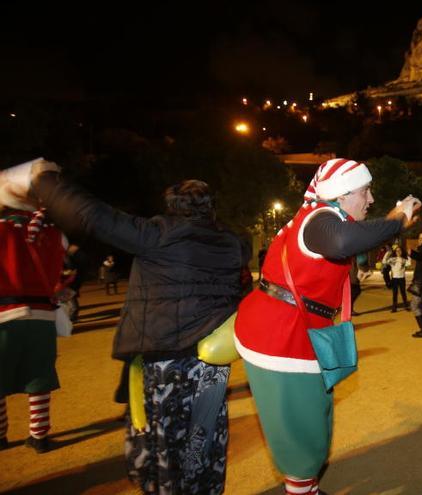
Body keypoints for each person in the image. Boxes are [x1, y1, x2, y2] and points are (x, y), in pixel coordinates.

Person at [29, 160, 251, 492]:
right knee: (205, 437)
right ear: (210, 208)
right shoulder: (233, 243)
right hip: (211, 362)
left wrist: (45, 180)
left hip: (165, 362)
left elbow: (89, 213)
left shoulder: (155, 234)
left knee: (165, 443)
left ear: (172, 208)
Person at [234, 158, 421, 495]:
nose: (371, 199)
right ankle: (301, 489)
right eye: (365, 191)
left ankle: (305, 485)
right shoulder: (320, 219)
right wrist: (396, 221)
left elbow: (350, 240)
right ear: (341, 195)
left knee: (311, 415)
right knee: (300, 424)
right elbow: (341, 243)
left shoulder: (322, 217)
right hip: (281, 335)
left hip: (291, 326)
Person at [0, 172, 66, 454]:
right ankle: (39, 436)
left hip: (4, 314)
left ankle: (0, 436)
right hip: (42, 315)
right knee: (38, 377)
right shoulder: (50, 232)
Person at [385, 246, 410, 312]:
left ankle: (406, 306)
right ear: (395, 252)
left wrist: (408, 255)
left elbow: (409, 264)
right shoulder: (392, 259)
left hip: (402, 278)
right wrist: (388, 253)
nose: (398, 252)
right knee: (395, 293)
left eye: (400, 250)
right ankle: (394, 307)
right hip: (394, 279)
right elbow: (384, 261)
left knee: (403, 293)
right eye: (397, 251)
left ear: (402, 252)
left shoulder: (404, 259)